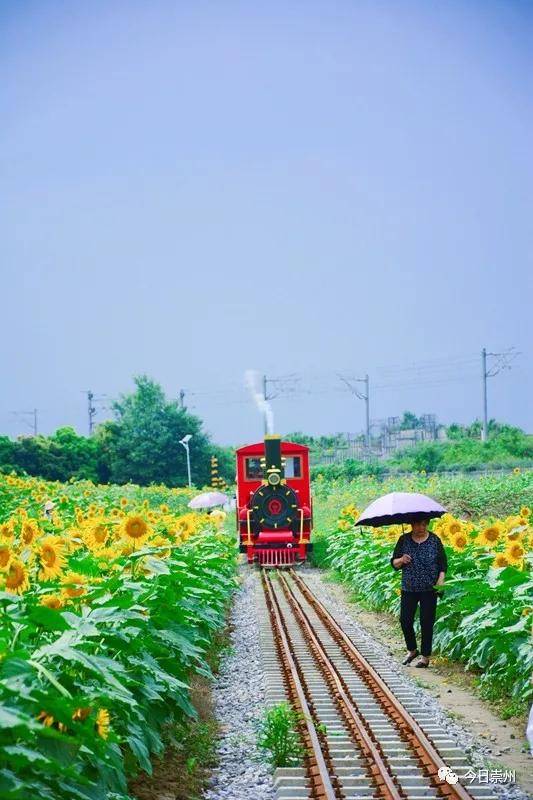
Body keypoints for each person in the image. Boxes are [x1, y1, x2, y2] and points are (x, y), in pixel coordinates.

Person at [391, 519, 447, 668]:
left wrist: (441, 581)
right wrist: (401, 559)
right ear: (411, 525)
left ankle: (425, 656)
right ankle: (412, 650)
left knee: (426, 622)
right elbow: (394, 564)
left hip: (429, 588)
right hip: (409, 588)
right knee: (405, 620)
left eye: (424, 524)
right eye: (418, 524)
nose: (421, 527)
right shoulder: (404, 540)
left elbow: (443, 564)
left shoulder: (434, 540)